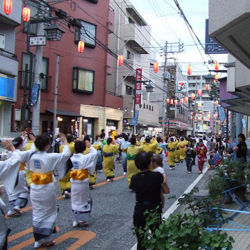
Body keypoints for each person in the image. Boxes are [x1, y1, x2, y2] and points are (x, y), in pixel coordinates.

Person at [28, 134, 71, 248]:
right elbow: (66, 155)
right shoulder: (50, 157)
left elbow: (30, 149)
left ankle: (37, 240)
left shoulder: (31, 155)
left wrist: (34, 141)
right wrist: (65, 142)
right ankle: (45, 238)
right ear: (47, 146)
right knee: (49, 212)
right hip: (46, 188)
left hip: (34, 187)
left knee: (37, 213)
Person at [130, 151, 167, 250]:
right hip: (154, 209)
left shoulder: (134, 178)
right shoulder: (157, 176)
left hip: (139, 210)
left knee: (141, 241)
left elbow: (133, 188)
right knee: (157, 237)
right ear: (150, 162)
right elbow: (165, 189)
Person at [70, 140, 97, 227]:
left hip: (74, 181)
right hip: (82, 182)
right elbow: (95, 153)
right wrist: (90, 146)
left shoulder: (71, 158)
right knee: (84, 200)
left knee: (75, 200)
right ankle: (82, 220)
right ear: (84, 148)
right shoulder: (85, 157)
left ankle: (75, 219)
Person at [6, 137, 29, 217]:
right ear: (21, 144)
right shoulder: (20, 153)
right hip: (20, 172)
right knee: (24, 191)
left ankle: (10, 210)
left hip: (11, 174)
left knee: (13, 193)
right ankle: (17, 205)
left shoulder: (9, 153)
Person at [58, 133, 75, 198]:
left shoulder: (61, 146)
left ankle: (63, 191)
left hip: (62, 163)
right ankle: (67, 190)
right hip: (71, 163)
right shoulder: (73, 145)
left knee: (62, 179)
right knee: (71, 178)